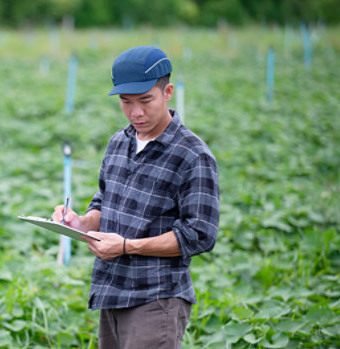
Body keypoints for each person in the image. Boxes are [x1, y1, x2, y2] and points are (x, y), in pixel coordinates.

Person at [52, 46, 220, 349]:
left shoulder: (193, 155)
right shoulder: (120, 141)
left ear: (167, 92)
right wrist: (80, 222)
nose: (136, 112)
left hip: (155, 298)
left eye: (145, 100)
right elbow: (105, 203)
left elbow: (199, 234)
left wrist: (128, 246)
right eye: (126, 102)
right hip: (111, 292)